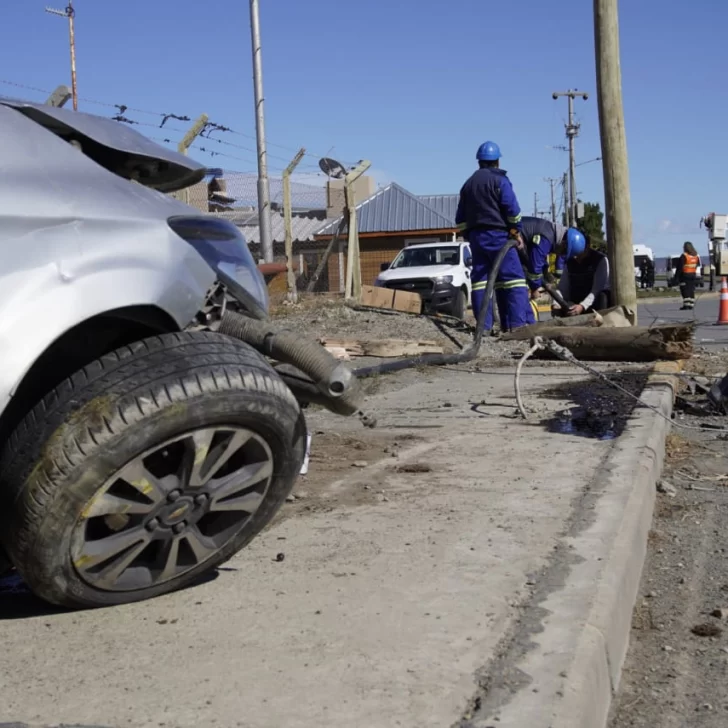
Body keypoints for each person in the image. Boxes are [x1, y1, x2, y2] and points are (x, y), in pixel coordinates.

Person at [455, 141, 534, 332]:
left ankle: (483, 326)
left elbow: (460, 218)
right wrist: (515, 231)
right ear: (497, 161)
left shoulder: (468, 184)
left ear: (479, 162)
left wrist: (470, 235)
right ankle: (518, 327)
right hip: (499, 237)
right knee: (514, 280)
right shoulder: (500, 180)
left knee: (481, 281)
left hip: (477, 238)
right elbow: (512, 210)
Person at [551, 230, 612, 317]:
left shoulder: (600, 260)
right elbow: (562, 289)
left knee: (603, 297)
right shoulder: (569, 262)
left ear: (587, 247)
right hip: (576, 300)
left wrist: (582, 306)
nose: (575, 256)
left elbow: (596, 290)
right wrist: (556, 304)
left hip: (593, 302)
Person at [675, 241, 700, 310]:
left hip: (685, 275)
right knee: (691, 289)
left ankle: (686, 305)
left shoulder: (684, 256)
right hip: (692, 274)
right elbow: (696, 265)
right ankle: (691, 304)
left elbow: (680, 267)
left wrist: (676, 277)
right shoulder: (695, 256)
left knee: (685, 290)